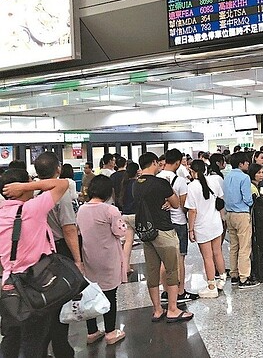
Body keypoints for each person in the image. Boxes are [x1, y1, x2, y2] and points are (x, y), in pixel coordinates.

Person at [0, 170, 70, 358]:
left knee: (11, 336)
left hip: (9, 285)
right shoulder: (32, 209)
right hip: (35, 284)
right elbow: (62, 184)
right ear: (18, 188)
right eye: (29, 181)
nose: (33, 183)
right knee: (34, 340)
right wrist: (25, 187)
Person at [134, 152, 193, 323]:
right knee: (172, 268)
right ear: (153, 162)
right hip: (164, 230)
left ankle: (157, 309)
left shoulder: (135, 185)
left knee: (152, 270)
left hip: (146, 231)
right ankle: (173, 309)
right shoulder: (160, 182)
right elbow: (175, 204)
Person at [35, 152, 83, 358]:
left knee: (46, 302)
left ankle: (44, 348)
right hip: (60, 250)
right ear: (58, 169)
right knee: (61, 301)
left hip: (41, 251)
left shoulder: (36, 194)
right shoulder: (61, 195)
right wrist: (78, 260)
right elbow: (69, 228)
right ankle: (62, 349)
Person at [77, 175, 127, 346]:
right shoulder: (110, 210)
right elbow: (120, 232)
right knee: (110, 295)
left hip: (89, 257)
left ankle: (91, 332)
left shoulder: (82, 209)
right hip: (108, 258)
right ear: (108, 191)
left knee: (89, 294)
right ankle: (111, 332)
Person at [157, 149, 196, 302]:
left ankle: (166, 291)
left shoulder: (156, 178)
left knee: (163, 261)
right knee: (180, 259)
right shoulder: (180, 181)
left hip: (161, 224)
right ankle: (180, 292)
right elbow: (183, 205)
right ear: (179, 162)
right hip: (178, 223)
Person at [186, 160, 226, 298]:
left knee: (207, 258)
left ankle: (211, 286)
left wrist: (190, 230)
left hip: (202, 226)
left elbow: (192, 211)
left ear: (193, 171)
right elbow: (220, 198)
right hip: (216, 223)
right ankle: (222, 279)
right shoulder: (214, 181)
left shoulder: (192, 186)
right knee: (218, 253)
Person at [223, 152, 259, 288]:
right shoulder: (244, 178)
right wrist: (251, 202)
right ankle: (244, 278)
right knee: (245, 247)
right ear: (240, 164)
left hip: (229, 214)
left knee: (234, 246)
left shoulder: (226, 177)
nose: (248, 164)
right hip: (242, 214)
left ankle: (234, 274)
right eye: (246, 162)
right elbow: (247, 198)